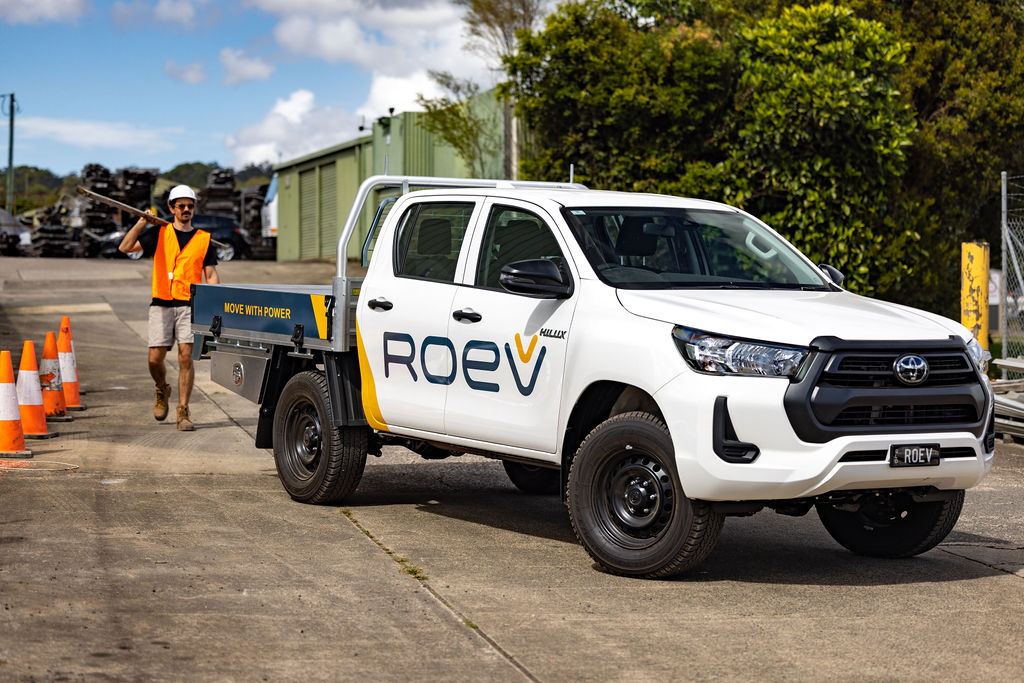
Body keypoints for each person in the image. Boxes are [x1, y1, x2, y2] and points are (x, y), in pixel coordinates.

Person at [119, 184, 220, 431]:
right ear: (171, 208)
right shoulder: (158, 233)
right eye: (181, 206)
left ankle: (183, 411)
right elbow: (125, 247)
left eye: (190, 205)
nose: (186, 209)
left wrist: (212, 302)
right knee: (155, 359)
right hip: (162, 302)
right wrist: (142, 222)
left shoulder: (204, 239)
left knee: (186, 357)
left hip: (189, 304)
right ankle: (161, 388)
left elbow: (211, 274)